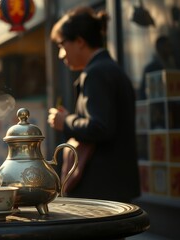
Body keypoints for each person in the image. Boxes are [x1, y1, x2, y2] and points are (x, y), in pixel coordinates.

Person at [47, 7, 141, 203]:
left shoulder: (96, 73)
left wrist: (65, 121)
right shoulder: (108, 69)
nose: (61, 55)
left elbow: (99, 127)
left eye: (62, 45)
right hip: (114, 188)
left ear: (80, 41)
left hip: (101, 190)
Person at [138, 35, 180, 99]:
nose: (171, 49)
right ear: (160, 48)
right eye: (167, 46)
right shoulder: (151, 69)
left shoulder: (175, 66)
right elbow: (143, 94)